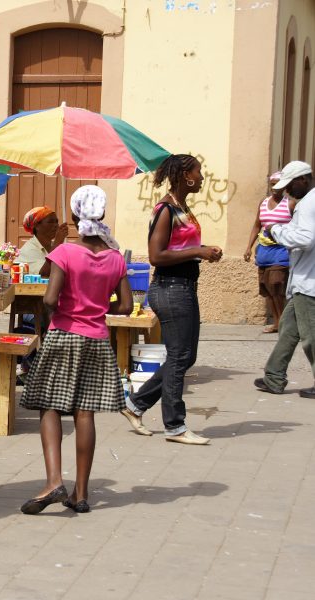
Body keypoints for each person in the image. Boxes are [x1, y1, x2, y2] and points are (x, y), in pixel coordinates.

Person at [19, 186, 132, 514]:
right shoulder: (114, 258)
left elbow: (50, 299)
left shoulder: (65, 253)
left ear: (72, 217)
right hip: (97, 337)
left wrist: (70, 309)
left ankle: (54, 481)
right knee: (86, 412)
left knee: (49, 406)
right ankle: (81, 494)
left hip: (64, 333)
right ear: (103, 215)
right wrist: (98, 304)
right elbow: (125, 305)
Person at [121, 154, 223, 445]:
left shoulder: (182, 208)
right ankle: (175, 426)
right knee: (179, 356)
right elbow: (156, 256)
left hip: (184, 287)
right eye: (198, 172)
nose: (202, 177)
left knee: (186, 355)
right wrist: (197, 252)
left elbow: (181, 246)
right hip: (171, 289)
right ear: (185, 176)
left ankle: (135, 404)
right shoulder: (165, 209)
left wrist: (202, 249)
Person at [256, 161, 315, 398]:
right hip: (302, 280)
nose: (286, 190)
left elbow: (306, 239)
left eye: (289, 185)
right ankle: (274, 377)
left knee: (310, 337)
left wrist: (276, 231)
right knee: (288, 331)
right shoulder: (306, 202)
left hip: (309, 283)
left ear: (303, 179)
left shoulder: (310, 203)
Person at [243, 173, 292, 333]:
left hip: (281, 250)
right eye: (272, 184)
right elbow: (257, 225)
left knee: (277, 285)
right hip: (264, 251)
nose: (274, 188)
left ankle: (282, 322)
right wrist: (249, 247)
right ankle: (277, 322)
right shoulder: (263, 203)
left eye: (278, 184)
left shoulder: (290, 204)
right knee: (268, 289)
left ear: (285, 185)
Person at [19, 206, 69, 277]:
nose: (56, 225)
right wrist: (57, 243)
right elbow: (44, 274)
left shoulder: (53, 245)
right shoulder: (29, 249)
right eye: (50, 222)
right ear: (36, 226)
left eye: (56, 222)